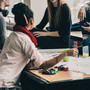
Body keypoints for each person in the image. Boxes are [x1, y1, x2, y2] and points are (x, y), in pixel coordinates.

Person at [0, 2, 78, 90]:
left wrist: (30, 63)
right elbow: (44, 65)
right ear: (31, 21)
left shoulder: (12, 35)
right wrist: (66, 53)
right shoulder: (25, 40)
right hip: (5, 85)